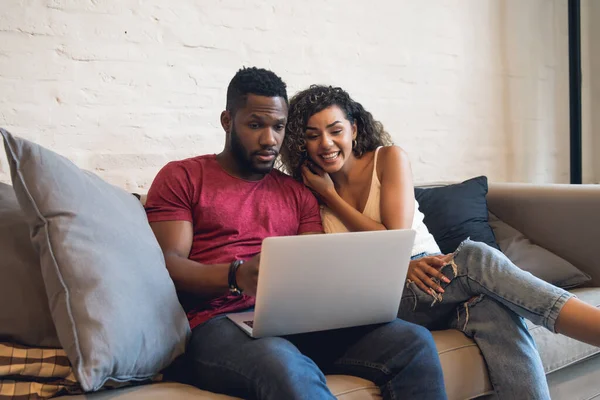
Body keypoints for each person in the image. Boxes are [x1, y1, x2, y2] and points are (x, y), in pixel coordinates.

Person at [279, 84, 600, 400]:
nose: (326, 143)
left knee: (494, 310)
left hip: (438, 274)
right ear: (300, 142)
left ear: (354, 128)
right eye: (312, 135)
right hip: (387, 292)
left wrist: (333, 198)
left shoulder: (388, 159)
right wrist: (329, 195)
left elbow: (397, 235)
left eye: (335, 130)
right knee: (475, 257)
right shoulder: (308, 194)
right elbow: (363, 257)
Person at [144, 68, 447, 400]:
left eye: (278, 127)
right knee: (286, 367)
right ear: (227, 120)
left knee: (413, 342)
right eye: (255, 125)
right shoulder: (183, 177)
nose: (269, 139)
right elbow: (169, 263)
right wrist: (236, 275)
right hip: (219, 322)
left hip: (296, 322)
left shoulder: (299, 193)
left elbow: (318, 268)